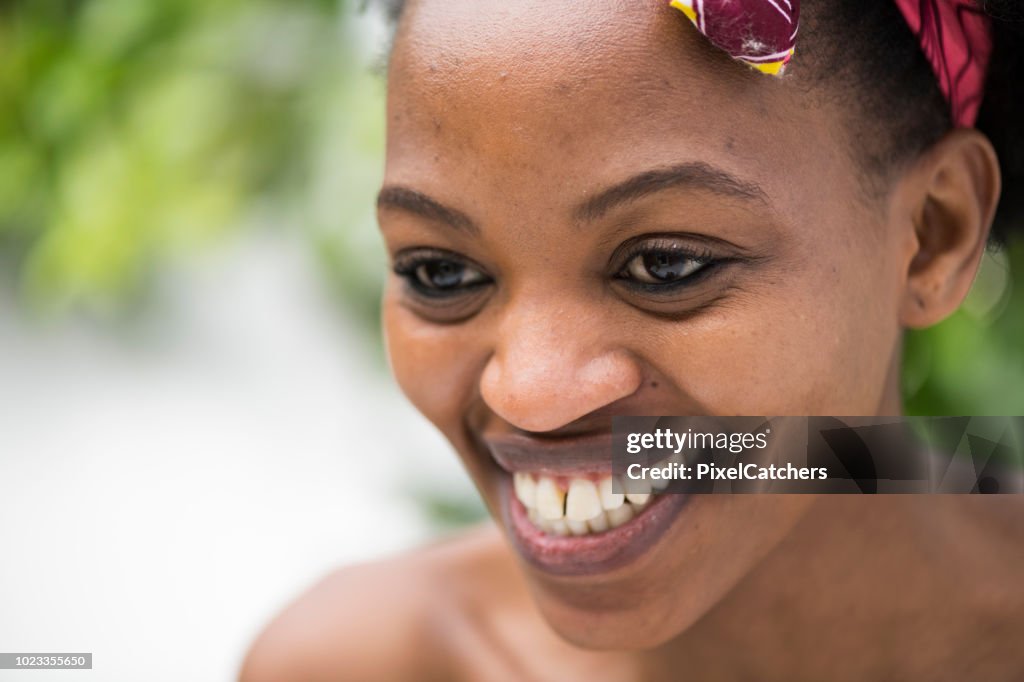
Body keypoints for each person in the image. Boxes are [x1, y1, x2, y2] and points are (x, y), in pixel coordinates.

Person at [241, 1, 1024, 679]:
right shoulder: (358, 664)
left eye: (665, 265)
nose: (531, 393)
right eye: (442, 272)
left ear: (933, 235)